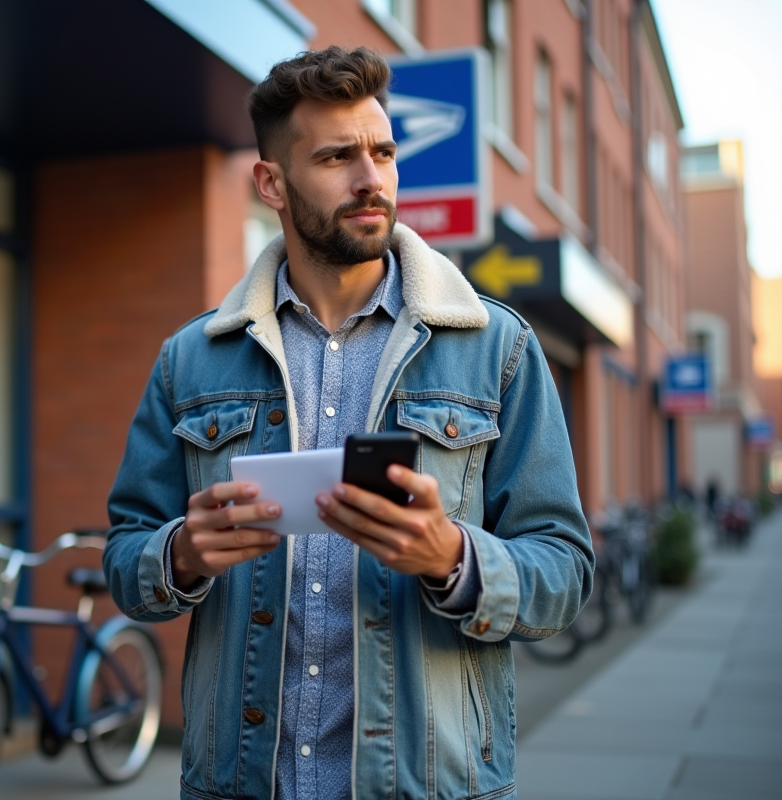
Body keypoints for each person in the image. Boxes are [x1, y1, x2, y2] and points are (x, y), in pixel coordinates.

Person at [104, 46, 592, 800]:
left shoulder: (498, 350)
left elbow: (564, 572)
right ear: (271, 181)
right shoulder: (190, 362)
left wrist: (453, 557)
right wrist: (181, 554)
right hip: (240, 784)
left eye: (384, 151)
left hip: (431, 785)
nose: (372, 180)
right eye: (337, 157)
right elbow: (126, 555)